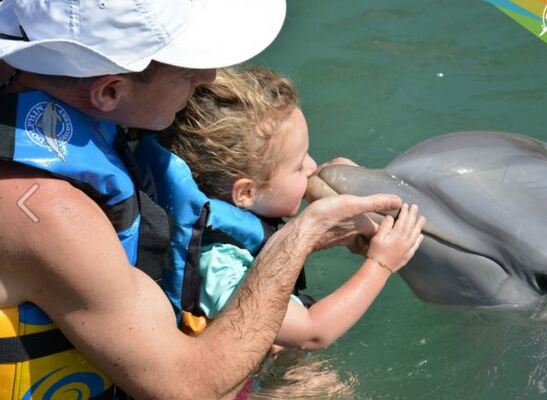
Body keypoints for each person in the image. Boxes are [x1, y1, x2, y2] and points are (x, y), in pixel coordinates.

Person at [0, 1, 405, 399]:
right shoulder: (48, 212)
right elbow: (193, 387)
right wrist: (297, 239)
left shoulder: (48, 89)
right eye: (187, 71)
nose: (209, 75)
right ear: (109, 91)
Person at [155, 67, 425, 352]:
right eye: (298, 166)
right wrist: (380, 264)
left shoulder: (225, 225)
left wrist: (328, 235)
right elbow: (312, 332)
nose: (311, 166)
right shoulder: (219, 266)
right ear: (247, 192)